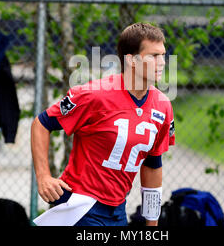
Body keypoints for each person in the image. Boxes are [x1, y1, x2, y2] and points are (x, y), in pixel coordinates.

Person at [31, 23, 175, 226]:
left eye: (163, 55)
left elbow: (152, 165)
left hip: (117, 210)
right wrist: (44, 176)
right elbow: (41, 123)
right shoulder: (93, 95)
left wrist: (152, 223)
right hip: (82, 206)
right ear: (131, 60)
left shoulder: (163, 105)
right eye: (153, 56)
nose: (162, 62)